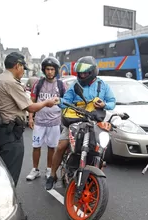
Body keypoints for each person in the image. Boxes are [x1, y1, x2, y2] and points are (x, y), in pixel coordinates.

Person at [45, 56, 116, 190]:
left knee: (100, 148)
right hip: (75, 120)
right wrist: (58, 101)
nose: (82, 75)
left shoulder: (103, 85)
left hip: (94, 121)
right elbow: (65, 101)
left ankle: (96, 174)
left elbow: (112, 102)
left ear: (92, 72)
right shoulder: (75, 86)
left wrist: (104, 103)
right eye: (80, 73)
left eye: (85, 73)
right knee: (61, 146)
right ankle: (52, 175)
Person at [0, 52, 59, 187]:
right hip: (11, 134)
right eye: (23, 68)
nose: (23, 72)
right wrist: (46, 102)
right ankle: (9, 203)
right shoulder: (11, 83)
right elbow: (31, 107)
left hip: (2, 131)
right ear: (17, 66)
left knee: (4, 171)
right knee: (11, 175)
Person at [26, 57, 67, 181]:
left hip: (55, 122)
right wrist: (31, 118)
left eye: (52, 69)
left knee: (51, 147)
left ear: (56, 71)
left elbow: (66, 102)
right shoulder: (38, 84)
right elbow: (32, 102)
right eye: (47, 69)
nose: (49, 72)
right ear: (44, 70)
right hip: (40, 122)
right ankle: (35, 169)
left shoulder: (61, 85)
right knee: (36, 146)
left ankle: (49, 169)